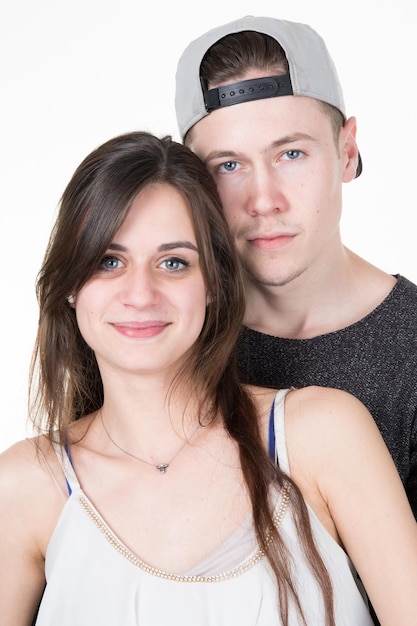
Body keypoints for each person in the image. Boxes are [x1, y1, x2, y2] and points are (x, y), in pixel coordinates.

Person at [0, 131, 416, 626]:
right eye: (109, 262)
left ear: (215, 283)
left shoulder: (323, 434)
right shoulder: (26, 486)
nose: (139, 293)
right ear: (71, 286)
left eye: (173, 262)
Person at [174, 15, 417, 521]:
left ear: (346, 152)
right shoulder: (166, 334)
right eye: (228, 165)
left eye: (290, 153)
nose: (264, 200)